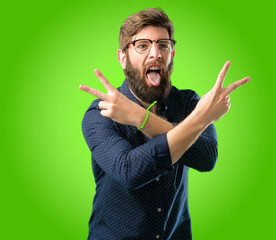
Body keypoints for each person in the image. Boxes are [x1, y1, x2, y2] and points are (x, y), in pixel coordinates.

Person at [80, 8, 250, 240]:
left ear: (172, 52)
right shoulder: (100, 114)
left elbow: (206, 157)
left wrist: (141, 118)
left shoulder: (188, 103)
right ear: (123, 57)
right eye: (142, 45)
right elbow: (130, 171)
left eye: (163, 44)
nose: (155, 54)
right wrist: (201, 119)